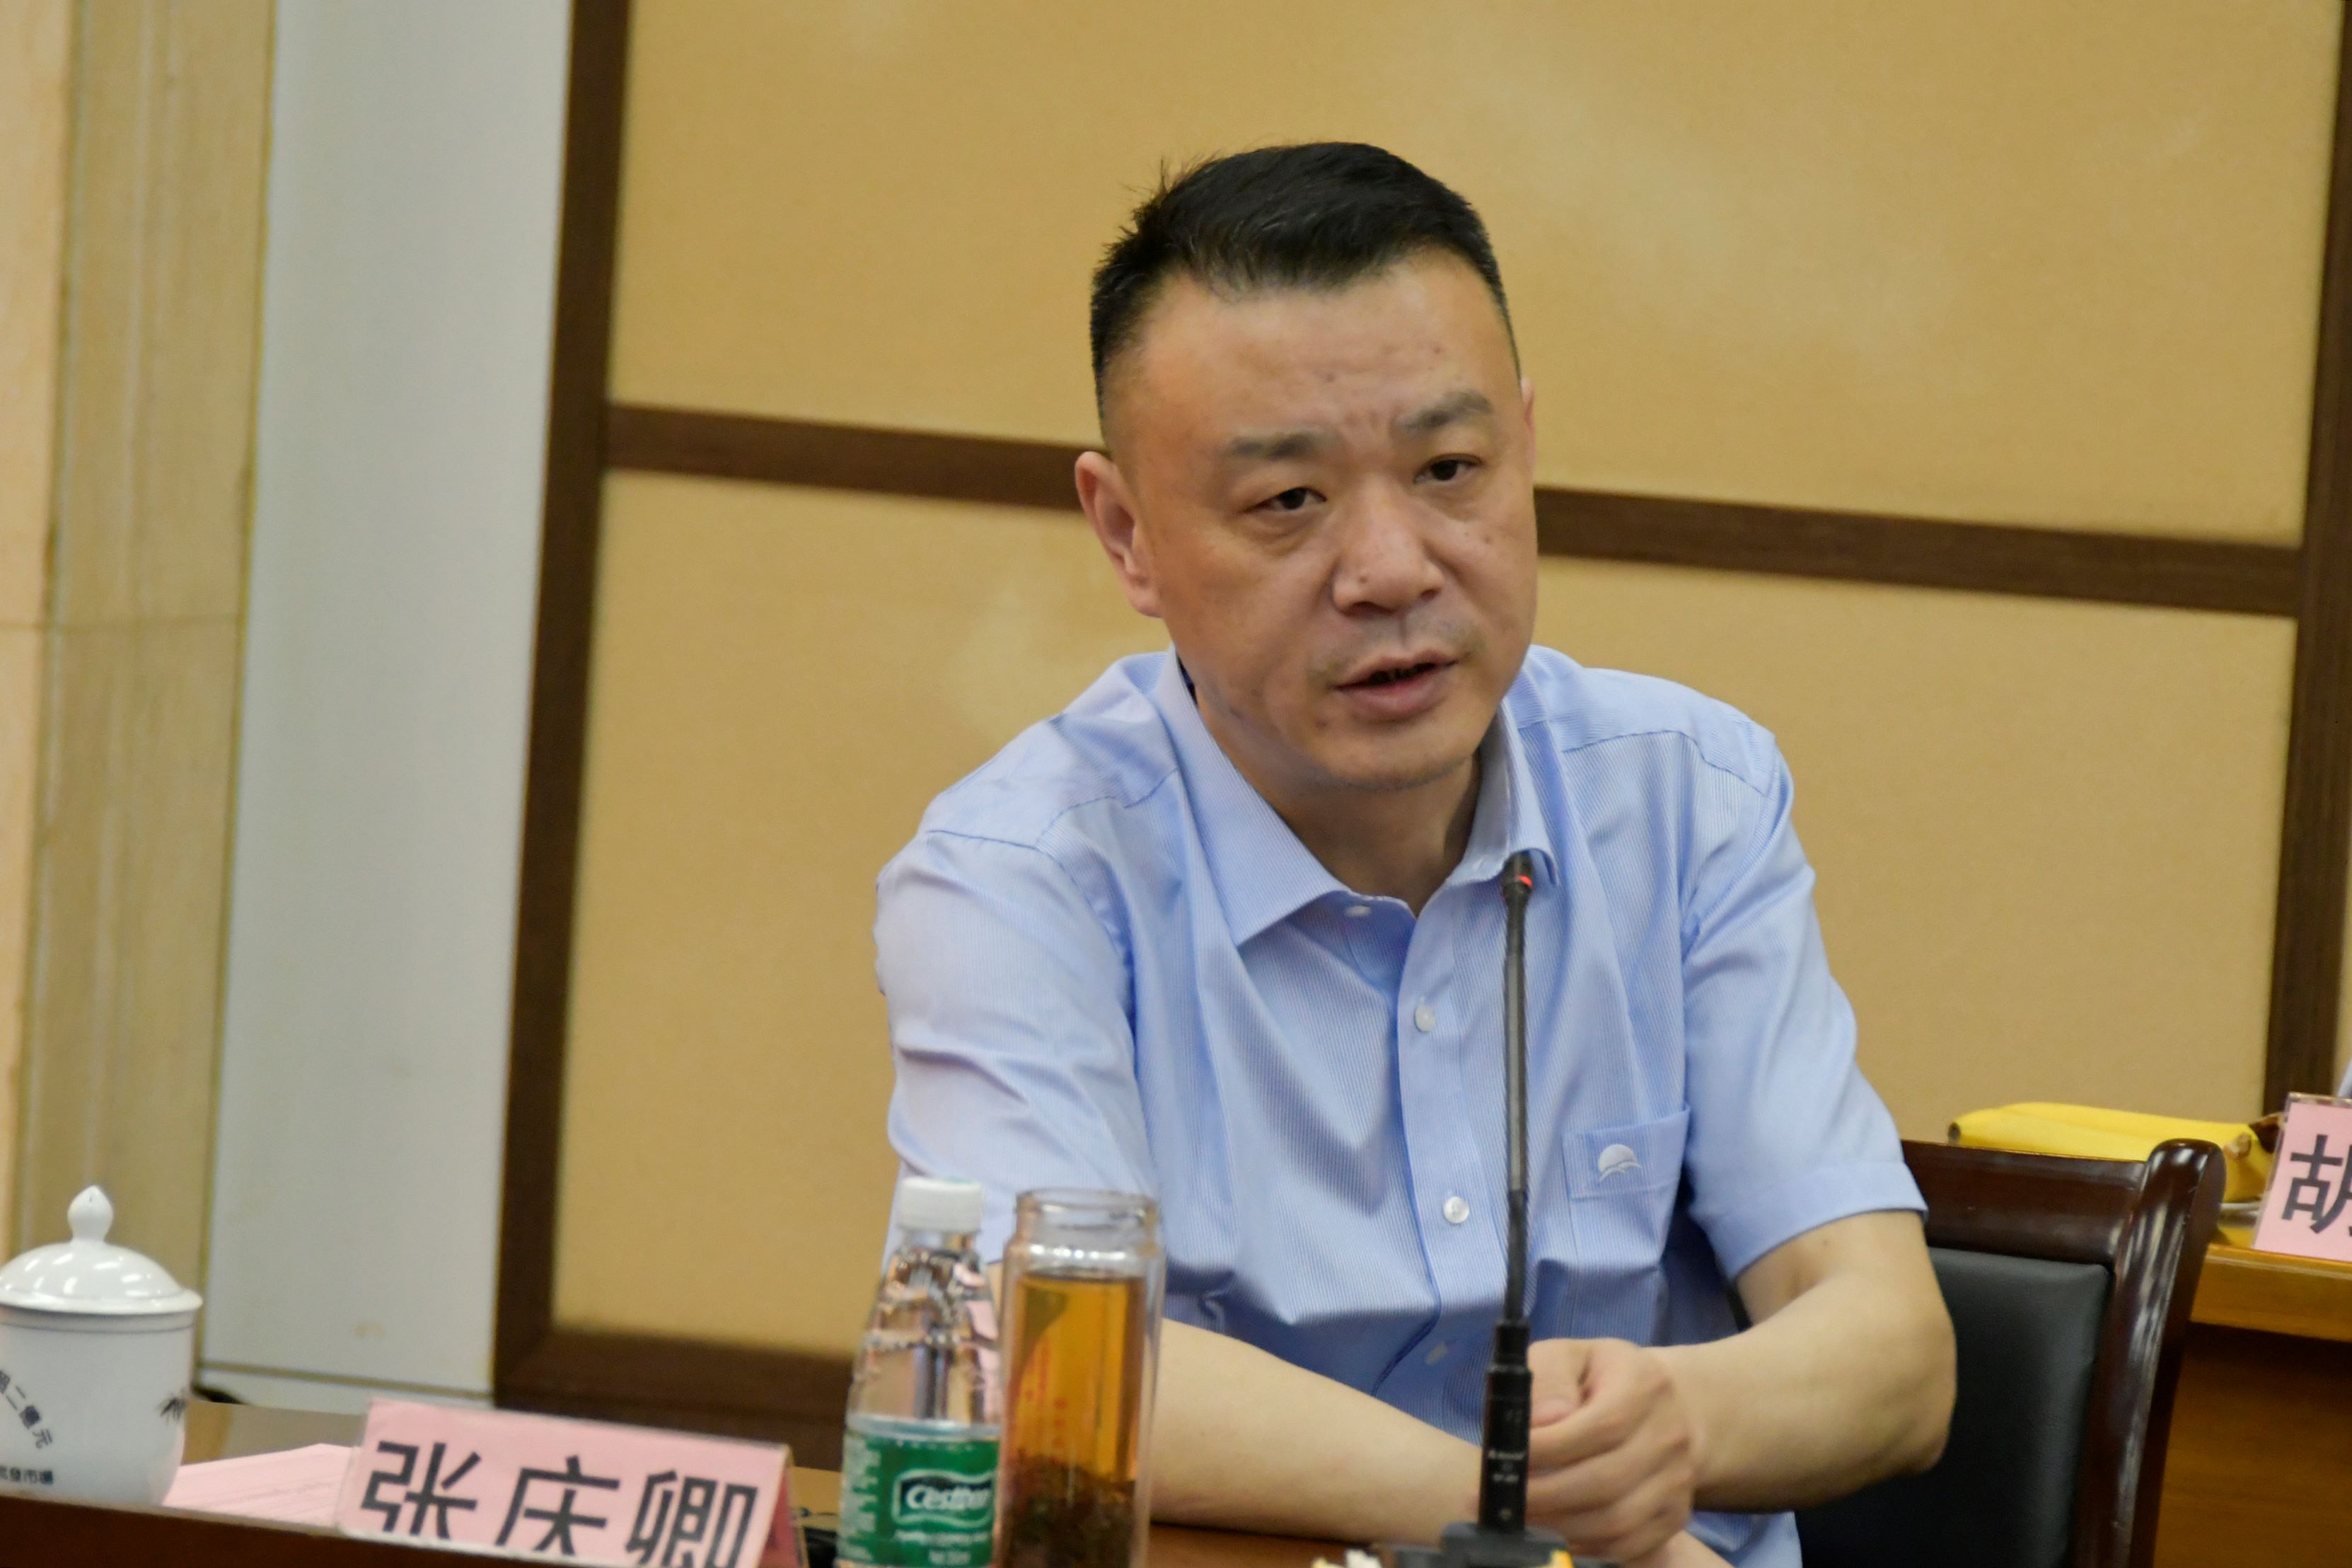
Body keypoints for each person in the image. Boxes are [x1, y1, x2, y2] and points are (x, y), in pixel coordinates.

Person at [874, 143, 1954, 1567]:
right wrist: (1528, 1518)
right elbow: (1052, 1368)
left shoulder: (1685, 797)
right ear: (1126, 533)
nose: (1391, 568)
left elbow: (1891, 1351)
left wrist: (1669, 1425)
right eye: (1288, 501)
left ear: (1524, 448)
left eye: (1449, 470)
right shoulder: (1021, 876)